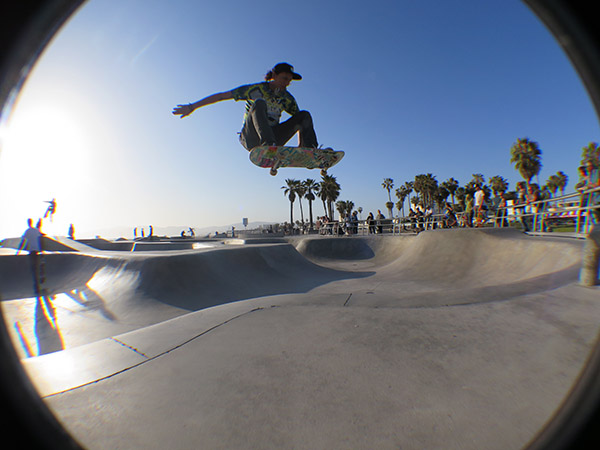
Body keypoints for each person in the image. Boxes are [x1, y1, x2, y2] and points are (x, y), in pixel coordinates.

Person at [173, 63, 323, 152]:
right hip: (251, 137)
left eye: (289, 81)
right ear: (274, 75)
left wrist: (302, 146)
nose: (287, 83)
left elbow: (302, 123)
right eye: (284, 78)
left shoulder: (287, 98)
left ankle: (310, 150)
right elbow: (221, 96)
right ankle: (268, 145)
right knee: (259, 103)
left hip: (275, 136)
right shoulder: (255, 89)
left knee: (304, 115)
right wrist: (192, 106)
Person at [18, 218, 44, 295]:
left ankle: (37, 287)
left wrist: (19, 250)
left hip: (32, 252)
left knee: (34, 269)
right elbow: (41, 236)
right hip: (37, 251)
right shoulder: (36, 230)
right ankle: (39, 284)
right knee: (39, 267)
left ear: (28, 223)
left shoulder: (27, 231)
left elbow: (23, 240)